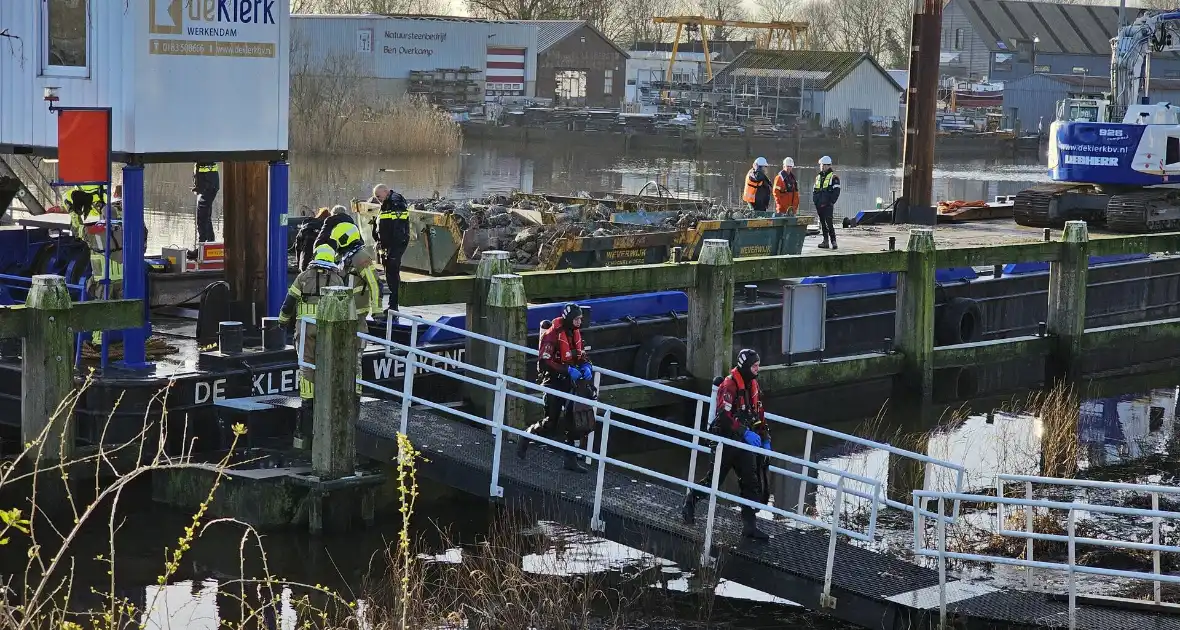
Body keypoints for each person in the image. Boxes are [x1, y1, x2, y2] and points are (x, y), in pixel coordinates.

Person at [681, 348, 771, 540]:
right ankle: (690, 501)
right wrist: (743, 432)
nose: (758, 369)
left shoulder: (753, 385)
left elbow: (759, 413)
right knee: (714, 481)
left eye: (758, 365)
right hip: (725, 441)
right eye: (755, 365)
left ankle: (749, 526)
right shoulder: (729, 385)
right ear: (745, 366)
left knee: (750, 482)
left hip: (743, 444)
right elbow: (723, 416)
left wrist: (765, 438)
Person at [278, 243, 349, 447]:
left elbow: (289, 303)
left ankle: (307, 404)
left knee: (306, 364)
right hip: (328, 328)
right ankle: (328, 399)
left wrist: (282, 321)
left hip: (306, 329)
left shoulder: (303, 277)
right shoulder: (338, 278)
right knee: (328, 362)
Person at [517, 303, 594, 473]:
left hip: (570, 383)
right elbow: (545, 361)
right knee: (551, 423)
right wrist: (566, 369)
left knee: (573, 421)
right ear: (568, 319)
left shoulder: (575, 333)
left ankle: (570, 460)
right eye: (577, 319)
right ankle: (526, 436)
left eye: (580, 318)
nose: (580, 322)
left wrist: (587, 366)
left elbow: (581, 355)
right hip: (553, 381)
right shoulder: (552, 334)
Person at [372, 185, 410, 313]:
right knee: (390, 274)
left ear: (386, 191)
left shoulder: (396, 202)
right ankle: (393, 305)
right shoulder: (387, 203)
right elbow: (383, 225)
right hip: (388, 247)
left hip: (395, 246)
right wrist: (379, 241)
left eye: (378, 196)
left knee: (392, 274)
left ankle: (394, 306)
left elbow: (398, 228)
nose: (378, 199)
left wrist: (393, 249)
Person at [813, 155, 841, 249]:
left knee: (829, 223)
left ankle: (833, 241)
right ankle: (825, 241)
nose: (821, 167)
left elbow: (836, 191)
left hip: (828, 205)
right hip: (819, 204)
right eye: (821, 165)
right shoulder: (818, 177)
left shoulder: (834, 177)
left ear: (828, 166)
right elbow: (815, 190)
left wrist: (831, 202)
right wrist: (816, 202)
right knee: (822, 223)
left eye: (823, 165)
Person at [193, 162, 219, 243]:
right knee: (205, 217)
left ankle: (204, 246)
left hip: (208, 184)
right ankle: (208, 245)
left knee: (203, 218)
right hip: (207, 184)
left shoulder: (204, 152)